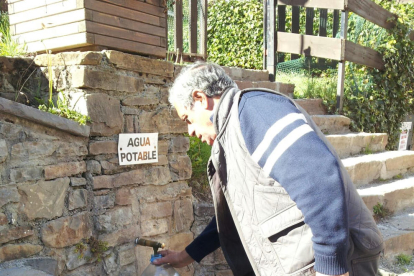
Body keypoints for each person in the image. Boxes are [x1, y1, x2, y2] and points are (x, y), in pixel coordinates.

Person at [154, 62, 384, 276]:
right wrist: (186, 256)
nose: (190, 131)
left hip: (336, 265)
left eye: (187, 119)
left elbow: (319, 178)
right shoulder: (233, 132)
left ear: (200, 98)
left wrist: (331, 265)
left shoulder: (255, 111)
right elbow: (235, 215)